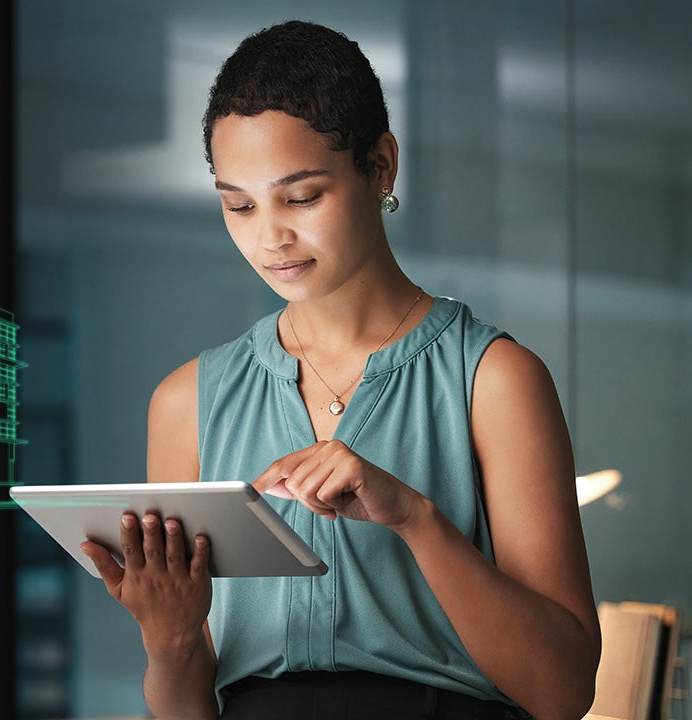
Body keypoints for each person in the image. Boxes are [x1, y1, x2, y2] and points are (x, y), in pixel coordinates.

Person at [79, 20, 600, 720]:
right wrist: (169, 639)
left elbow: (563, 692)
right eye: (239, 205)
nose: (270, 236)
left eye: (301, 197)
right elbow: (185, 707)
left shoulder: (495, 380)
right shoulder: (186, 402)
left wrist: (415, 518)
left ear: (380, 166)